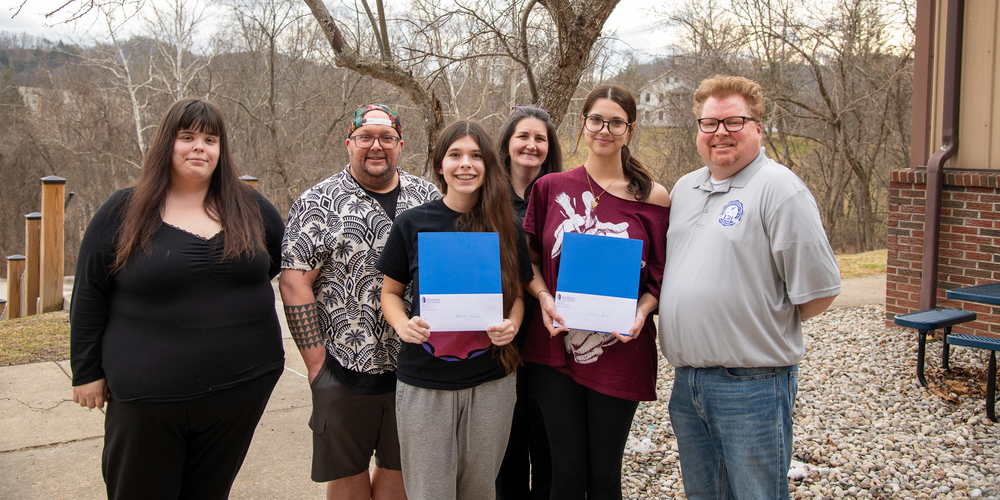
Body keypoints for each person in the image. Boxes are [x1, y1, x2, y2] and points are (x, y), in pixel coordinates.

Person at [70, 98, 285, 499]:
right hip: (148, 396)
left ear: (221, 150)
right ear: (166, 143)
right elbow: (89, 293)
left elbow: (279, 261)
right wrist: (85, 372)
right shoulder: (124, 210)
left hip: (242, 386)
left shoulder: (249, 205)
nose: (199, 147)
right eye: (187, 137)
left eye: (210, 139)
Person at [657, 75, 841, 500]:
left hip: (751, 386)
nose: (720, 132)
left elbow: (819, 291)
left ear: (758, 127)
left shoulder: (780, 190)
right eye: (709, 123)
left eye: (733, 122)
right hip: (688, 383)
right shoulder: (685, 189)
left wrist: (759, 319)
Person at [279, 104, 440, 499]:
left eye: (387, 138)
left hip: (415, 366)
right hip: (344, 366)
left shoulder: (427, 197)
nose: (376, 146)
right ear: (348, 143)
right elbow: (294, 282)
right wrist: (317, 366)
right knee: (347, 474)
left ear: (400, 145)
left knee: (401, 471)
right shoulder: (318, 201)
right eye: (365, 137)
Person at [520, 85, 671, 499]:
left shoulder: (653, 197)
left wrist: (642, 312)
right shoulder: (549, 188)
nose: (605, 129)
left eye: (616, 122)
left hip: (621, 349)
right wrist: (544, 298)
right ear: (583, 124)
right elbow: (528, 263)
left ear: (630, 129)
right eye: (596, 120)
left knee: (604, 476)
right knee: (565, 476)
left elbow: (661, 275)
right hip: (556, 349)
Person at [377, 119, 534, 500]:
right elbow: (390, 293)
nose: (466, 164)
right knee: (430, 492)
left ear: (488, 165)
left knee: (479, 491)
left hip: (491, 382)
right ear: (440, 164)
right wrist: (403, 325)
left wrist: (512, 325)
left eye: (476, 156)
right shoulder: (412, 223)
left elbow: (517, 296)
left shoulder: (507, 225)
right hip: (425, 382)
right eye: (455, 155)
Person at [494, 105, 560, 499]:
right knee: (508, 440)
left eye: (540, 138)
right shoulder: (487, 196)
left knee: (549, 436)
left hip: (553, 330)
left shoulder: (563, 196)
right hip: (502, 332)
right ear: (507, 143)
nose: (531, 145)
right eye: (523, 136)